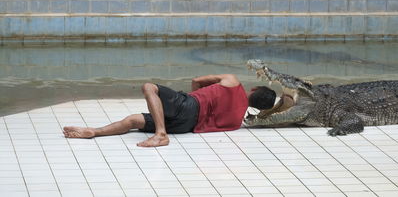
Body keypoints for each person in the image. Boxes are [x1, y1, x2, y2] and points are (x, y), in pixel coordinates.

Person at [63, 74, 277, 147]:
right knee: (133, 121)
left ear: (255, 89)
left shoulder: (232, 81)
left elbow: (196, 80)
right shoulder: (237, 121)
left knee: (149, 87)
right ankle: (94, 132)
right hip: (187, 126)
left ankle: (161, 134)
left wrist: (195, 97)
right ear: (257, 107)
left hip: (190, 106)